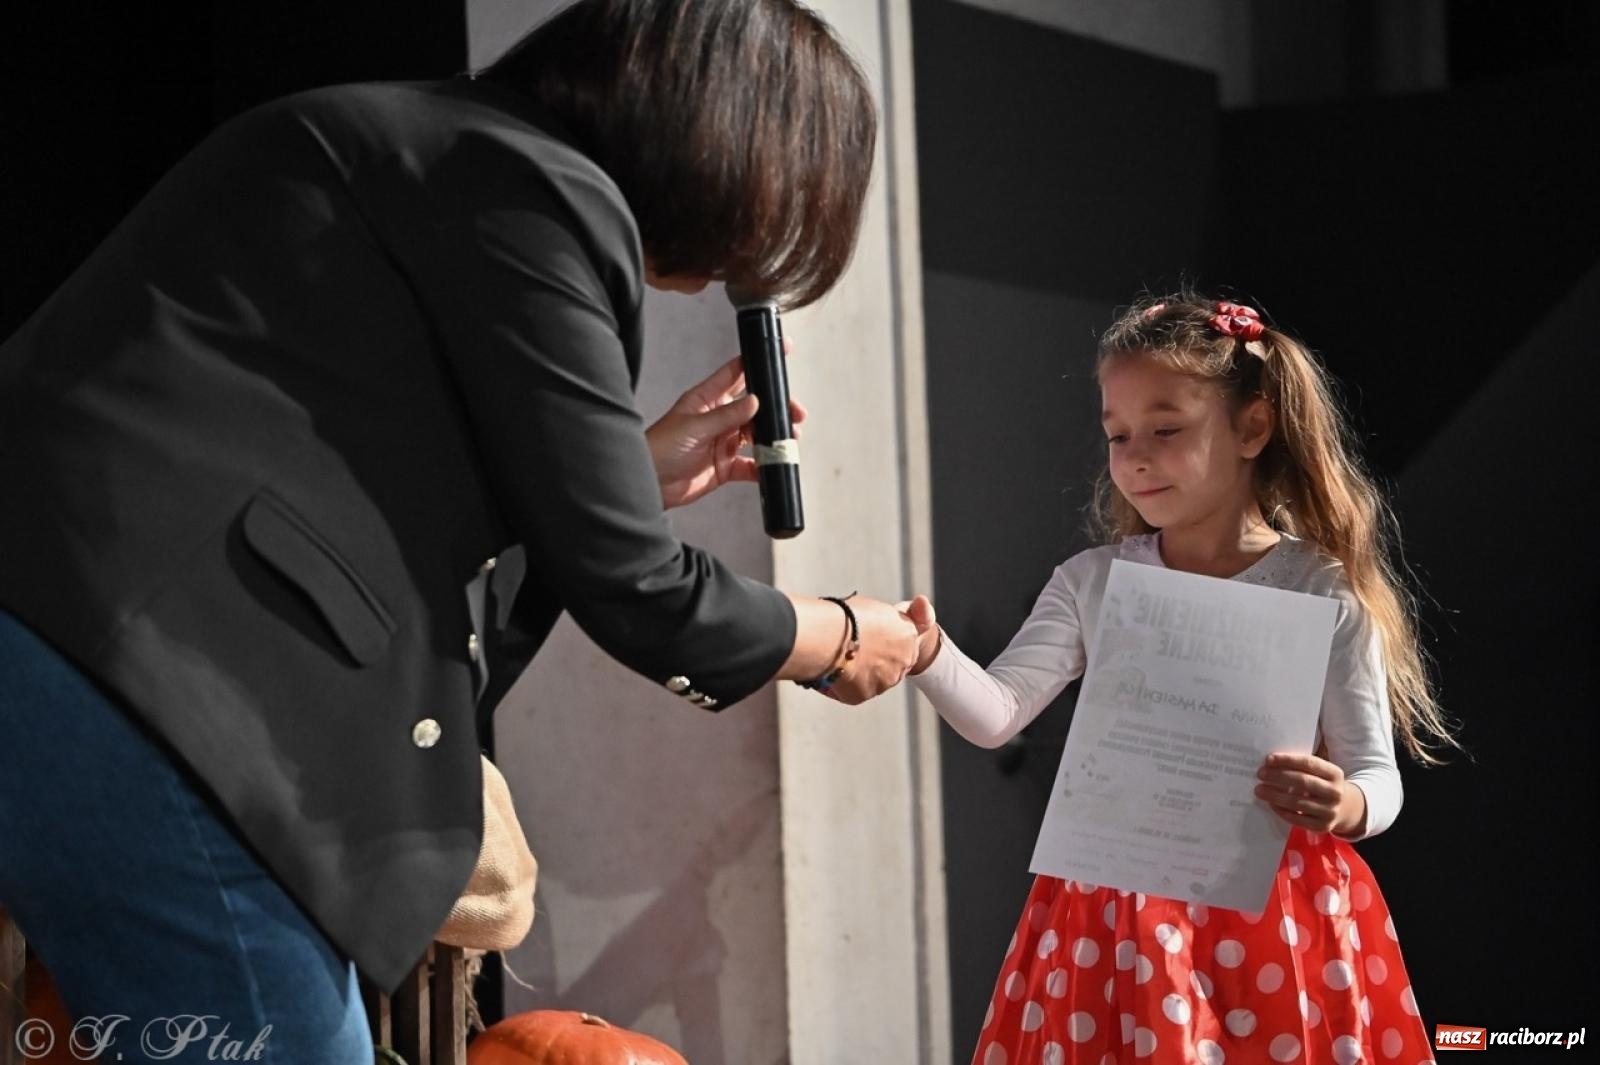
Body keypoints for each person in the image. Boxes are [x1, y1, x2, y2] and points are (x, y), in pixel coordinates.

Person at [0, 1, 917, 1061]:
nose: (744, 255)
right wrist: (840, 635)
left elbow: (379, 471)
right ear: (729, 132)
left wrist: (620, 478)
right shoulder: (532, 183)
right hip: (134, 670)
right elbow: (641, 593)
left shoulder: (430, 151)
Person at [902, 292, 1456, 1064]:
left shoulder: (1321, 588)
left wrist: (1350, 801)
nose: (1135, 456)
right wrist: (926, 654)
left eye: (1166, 430)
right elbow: (997, 713)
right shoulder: (1091, 581)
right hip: (1116, 912)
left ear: (1252, 426)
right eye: (1117, 434)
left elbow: (1377, 773)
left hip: (1277, 909)